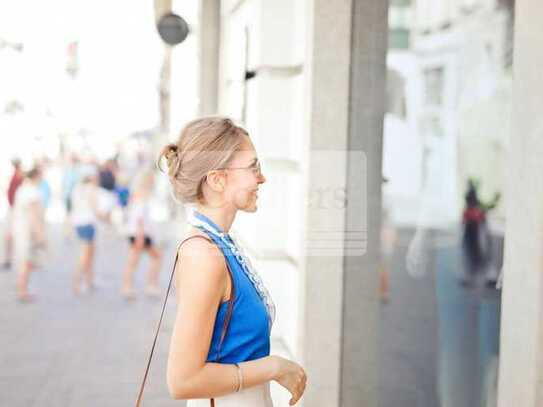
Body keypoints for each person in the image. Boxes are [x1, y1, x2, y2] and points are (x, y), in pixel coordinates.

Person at [159, 117, 306, 406]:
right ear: (217, 179)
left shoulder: (220, 243)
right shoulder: (204, 255)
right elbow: (182, 380)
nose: (261, 178)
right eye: (253, 167)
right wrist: (274, 367)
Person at [120, 169, 162, 300]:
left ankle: (132, 287)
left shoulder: (139, 194)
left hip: (140, 232)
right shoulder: (141, 194)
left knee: (136, 260)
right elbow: (139, 217)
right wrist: (140, 235)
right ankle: (145, 286)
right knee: (141, 259)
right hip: (140, 233)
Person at [12, 167, 46, 302]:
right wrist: (40, 235)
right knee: (27, 261)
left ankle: (22, 288)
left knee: (25, 261)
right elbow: (34, 216)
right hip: (28, 232)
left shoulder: (23, 189)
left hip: (20, 229)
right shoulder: (33, 192)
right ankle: (22, 291)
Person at [70, 165, 106, 295]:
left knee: (89, 253)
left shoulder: (77, 188)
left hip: (79, 223)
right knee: (86, 255)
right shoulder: (91, 189)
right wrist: (106, 217)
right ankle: (77, 283)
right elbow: (95, 208)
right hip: (88, 223)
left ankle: (89, 280)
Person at [3, 159, 24, 269]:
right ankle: (8, 259)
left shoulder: (19, 178)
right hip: (13, 209)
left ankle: (11, 259)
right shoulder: (16, 177)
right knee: (9, 236)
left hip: (16, 210)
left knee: (11, 236)